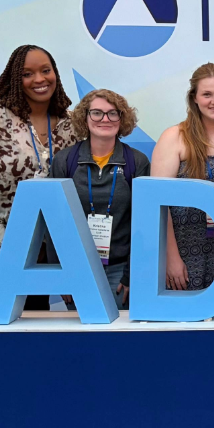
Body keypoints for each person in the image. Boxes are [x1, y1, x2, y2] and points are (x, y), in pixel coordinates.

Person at [0, 44, 78, 311]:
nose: (39, 79)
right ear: (15, 79)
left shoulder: (70, 123)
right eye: (27, 73)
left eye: (46, 70)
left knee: (33, 321)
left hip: (44, 242)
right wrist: (1, 239)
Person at [150, 63, 214, 311]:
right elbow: (157, 206)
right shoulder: (174, 137)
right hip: (184, 253)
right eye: (207, 94)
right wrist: (171, 258)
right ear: (194, 98)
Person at [51, 89, 151, 309]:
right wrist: (62, 274)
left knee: (119, 340)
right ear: (84, 118)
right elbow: (55, 222)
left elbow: (144, 224)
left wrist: (132, 274)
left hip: (120, 269)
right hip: (77, 268)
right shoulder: (64, 161)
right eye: (97, 113)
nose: (105, 119)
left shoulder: (137, 162)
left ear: (121, 118)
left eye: (112, 113)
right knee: (81, 339)